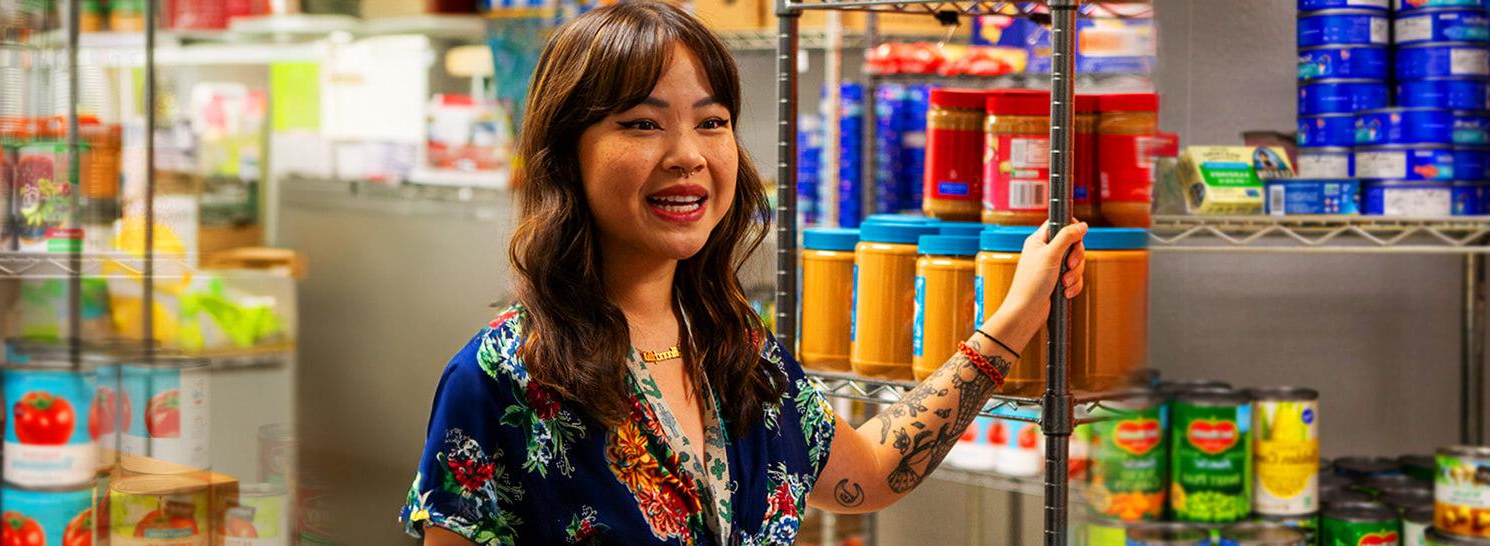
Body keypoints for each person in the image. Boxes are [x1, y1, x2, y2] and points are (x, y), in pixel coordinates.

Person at [398, 2, 1088, 544]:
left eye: (712, 122)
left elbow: (870, 475)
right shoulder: (502, 377)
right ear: (564, 156)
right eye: (642, 124)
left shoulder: (739, 350)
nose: (688, 155)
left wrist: (1017, 315)